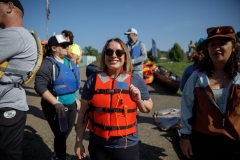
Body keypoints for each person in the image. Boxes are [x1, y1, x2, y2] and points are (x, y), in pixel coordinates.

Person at [74, 38, 153, 160]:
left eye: (119, 53)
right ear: (104, 55)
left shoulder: (136, 80)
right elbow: (82, 114)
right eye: (109, 52)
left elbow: (148, 108)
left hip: (127, 145)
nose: (114, 56)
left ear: (125, 56)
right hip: (98, 145)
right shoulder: (93, 80)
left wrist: (139, 101)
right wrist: (78, 142)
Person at [180, 26, 240, 160]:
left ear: (234, 47)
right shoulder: (197, 77)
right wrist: (184, 137)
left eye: (222, 43)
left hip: (236, 142)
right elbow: (186, 106)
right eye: (212, 44)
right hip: (204, 141)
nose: (216, 48)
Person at [0, 0, 38, 159]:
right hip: (12, 103)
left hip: (5, 104)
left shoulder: (14, 34)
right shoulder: (23, 35)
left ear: (9, 6)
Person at [34, 35, 80, 160]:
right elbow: (39, 86)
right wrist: (56, 103)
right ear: (54, 48)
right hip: (56, 107)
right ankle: (60, 157)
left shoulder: (69, 63)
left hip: (71, 105)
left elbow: (72, 84)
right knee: (60, 135)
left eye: (68, 45)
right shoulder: (48, 64)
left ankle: (56, 154)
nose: (67, 48)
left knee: (65, 133)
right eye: (64, 45)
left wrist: (76, 99)